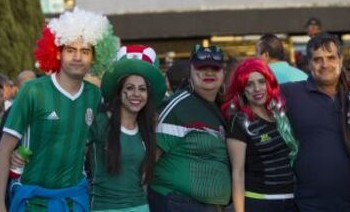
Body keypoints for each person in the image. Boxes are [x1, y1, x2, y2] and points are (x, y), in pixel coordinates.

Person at [0, 8, 117, 212]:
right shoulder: (33, 90)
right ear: (58, 52)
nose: (78, 57)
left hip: (74, 200)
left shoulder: (93, 95)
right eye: (70, 50)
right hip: (34, 201)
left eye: (85, 51)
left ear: (94, 57)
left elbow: (85, 142)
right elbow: (4, 149)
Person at [148, 44, 231, 212]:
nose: (209, 72)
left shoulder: (222, 106)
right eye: (202, 67)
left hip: (208, 206)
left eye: (215, 68)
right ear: (191, 71)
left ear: (223, 73)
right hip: (177, 202)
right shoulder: (179, 105)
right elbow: (149, 156)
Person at [281, 32, 350, 212]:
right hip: (309, 205)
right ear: (308, 64)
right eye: (318, 59)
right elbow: (249, 93)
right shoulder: (291, 93)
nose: (325, 65)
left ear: (340, 60)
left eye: (331, 57)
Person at [89, 45, 166, 212]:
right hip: (104, 207)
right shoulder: (100, 122)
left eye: (142, 89)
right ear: (119, 92)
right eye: (129, 88)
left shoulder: (149, 128)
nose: (136, 94)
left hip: (140, 206)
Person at [222, 58, 298, 212]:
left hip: (289, 202)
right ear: (242, 90)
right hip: (260, 203)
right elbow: (238, 173)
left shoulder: (278, 115)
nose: (257, 89)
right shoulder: (240, 122)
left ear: (269, 83)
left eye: (261, 82)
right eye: (249, 84)